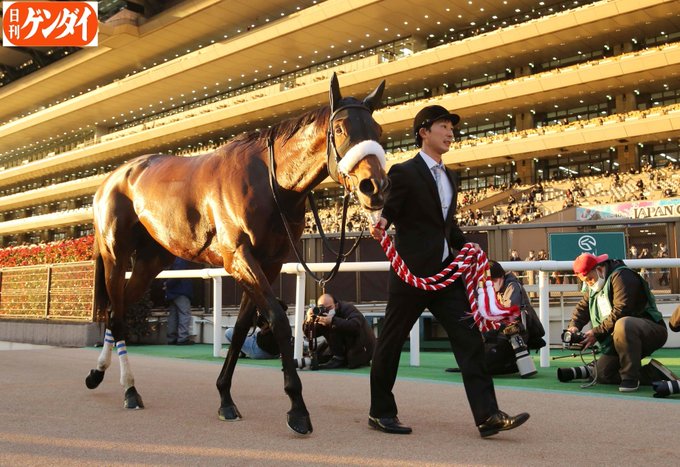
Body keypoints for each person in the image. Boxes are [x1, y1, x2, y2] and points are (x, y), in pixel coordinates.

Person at [369, 104, 529, 437]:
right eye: (443, 126)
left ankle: (487, 416)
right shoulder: (404, 171)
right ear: (423, 132)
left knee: (469, 339)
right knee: (391, 342)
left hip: (445, 274)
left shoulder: (450, 176)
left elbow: (446, 226)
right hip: (411, 276)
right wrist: (381, 221)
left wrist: (472, 250)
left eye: (451, 128)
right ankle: (380, 412)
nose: (450, 132)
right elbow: (390, 210)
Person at [557, 253, 672, 392]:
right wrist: (573, 327)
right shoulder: (595, 283)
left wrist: (596, 333)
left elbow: (622, 310)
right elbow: (582, 308)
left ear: (599, 269)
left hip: (650, 330)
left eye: (589, 279)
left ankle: (630, 378)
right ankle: (653, 373)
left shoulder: (622, 276)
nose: (589, 283)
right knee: (603, 374)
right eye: (585, 281)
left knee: (624, 323)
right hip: (619, 338)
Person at [302, 293, 375, 370]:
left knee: (336, 325)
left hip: (361, 349)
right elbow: (310, 335)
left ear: (336, 305)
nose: (326, 311)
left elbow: (355, 326)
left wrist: (332, 321)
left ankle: (339, 359)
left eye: (329, 308)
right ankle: (336, 358)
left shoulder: (348, 308)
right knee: (318, 357)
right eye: (322, 308)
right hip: (340, 348)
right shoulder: (321, 314)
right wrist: (308, 321)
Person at [165, 257, 195, 345]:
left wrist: (166, 284)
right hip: (181, 290)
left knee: (173, 315)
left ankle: (171, 338)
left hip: (171, 291)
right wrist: (168, 284)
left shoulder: (169, 257)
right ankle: (183, 338)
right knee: (184, 314)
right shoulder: (181, 257)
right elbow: (179, 272)